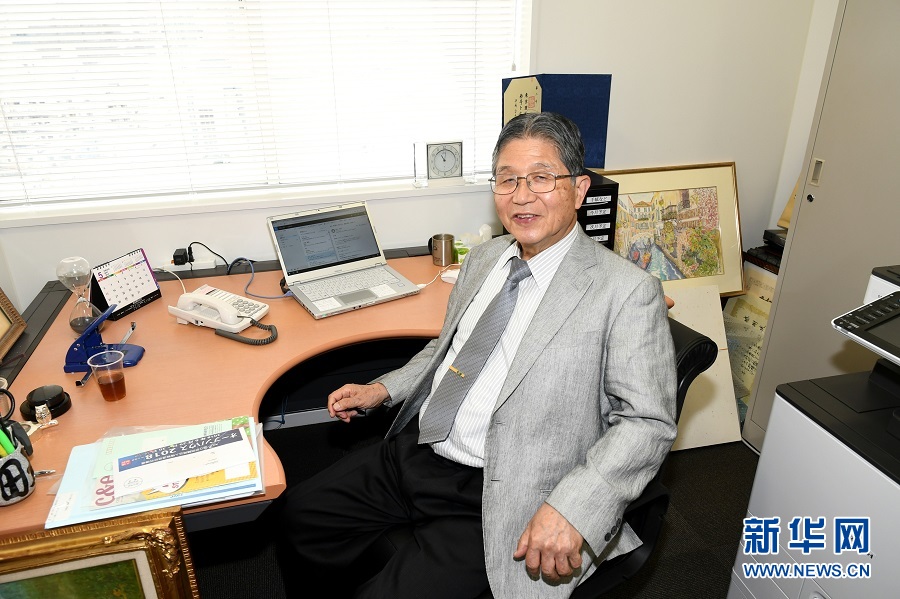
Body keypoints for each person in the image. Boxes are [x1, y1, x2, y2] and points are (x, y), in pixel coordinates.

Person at [280, 112, 677, 599]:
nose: (522, 196)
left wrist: (575, 507)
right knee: (299, 515)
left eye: (541, 178)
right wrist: (383, 389)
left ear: (578, 190)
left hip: (503, 489)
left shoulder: (626, 291)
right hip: (421, 451)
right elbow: (447, 348)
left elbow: (646, 422)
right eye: (507, 180)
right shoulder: (485, 259)